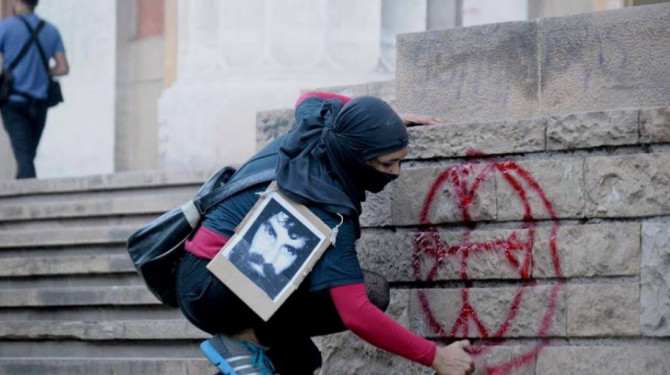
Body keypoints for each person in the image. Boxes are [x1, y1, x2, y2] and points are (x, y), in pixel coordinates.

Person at [176, 91, 475, 375]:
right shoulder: (326, 204)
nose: (395, 172)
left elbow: (308, 98)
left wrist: (381, 119)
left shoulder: (319, 126)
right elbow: (356, 313)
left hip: (210, 275)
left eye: (399, 161)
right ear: (356, 155)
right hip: (212, 288)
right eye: (386, 163)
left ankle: (247, 347)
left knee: (297, 359)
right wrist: (437, 357)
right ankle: (243, 339)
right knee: (370, 294)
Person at [0, 0, 68, 179]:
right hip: (40, 104)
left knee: (24, 157)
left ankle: (26, 202)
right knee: (27, 156)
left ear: (16, 2)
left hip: (14, 103)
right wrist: (42, 71)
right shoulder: (51, 30)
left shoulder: (5, 27)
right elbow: (63, 68)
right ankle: (24, 195)